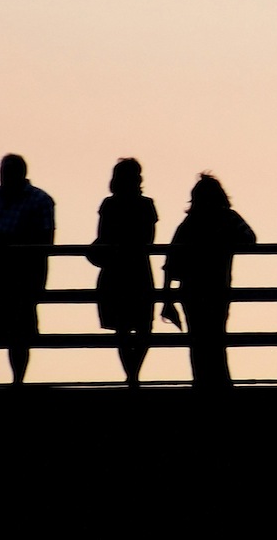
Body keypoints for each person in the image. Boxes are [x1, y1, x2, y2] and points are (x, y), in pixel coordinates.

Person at [0, 154, 56, 386]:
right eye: (4, 172)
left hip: (23, 272)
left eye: (9, 172)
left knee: (19, 332)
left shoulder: (40, 200)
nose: (5, 177)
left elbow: (46, 240)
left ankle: (17, 381)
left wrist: (3, 238)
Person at [162, 174, 254, 390]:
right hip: (218, 288)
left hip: (192, 290)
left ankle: (203, 383)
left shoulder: (190, 223)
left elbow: (171, 262)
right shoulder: (228, 218)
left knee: (198, 339)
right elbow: (250, 239)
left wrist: (167, 299)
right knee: (216, 336)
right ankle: (220, 383)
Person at [88, 158, 157, 388]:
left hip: (115, 271)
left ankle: (131, 374)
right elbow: (148, 239)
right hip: (138, 270)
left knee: (123, 328)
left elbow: (103, 237)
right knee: (143, 325)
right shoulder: (146, 205)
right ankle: (134, 374)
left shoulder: (109, 205)